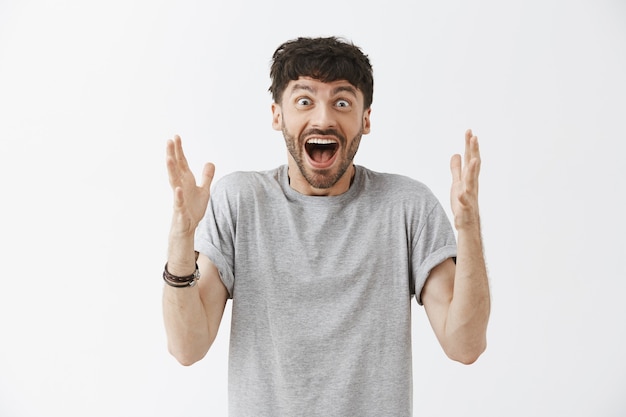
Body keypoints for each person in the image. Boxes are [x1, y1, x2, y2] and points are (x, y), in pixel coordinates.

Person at [162, 36, 490, 417]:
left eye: (342, 102)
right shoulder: (239, 201)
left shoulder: (407, 206)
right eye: (305, 101)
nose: (323, 118)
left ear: (365, 119)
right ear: (276, 115)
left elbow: (465, 345)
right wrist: (181, 238)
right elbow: (188, 347)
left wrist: (468, 229)